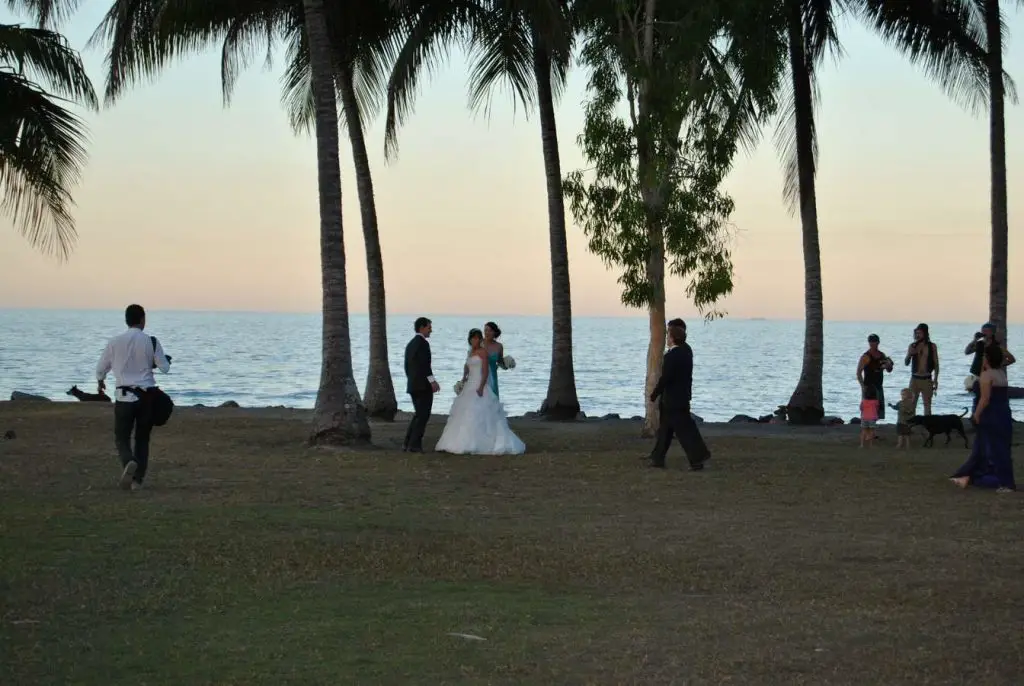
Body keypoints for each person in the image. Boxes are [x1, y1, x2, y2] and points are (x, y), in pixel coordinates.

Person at [95, 304, 171, 491]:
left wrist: (101, 381)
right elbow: (165, 368)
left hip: (123, 396)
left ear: (126, 320)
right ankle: (137, 481)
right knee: (142, 439)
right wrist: (156, 362)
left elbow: (100, 369)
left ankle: (129, 461)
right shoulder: (151, 341)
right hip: (147, 398)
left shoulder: (114, 342)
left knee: (121, 437)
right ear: (142, 320)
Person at [434, 328, 526, 455]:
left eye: (477, 338)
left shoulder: (483, 352)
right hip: (469, 384)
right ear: (470, 340)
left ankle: (481, 441)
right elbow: (467, 367)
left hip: (479, 384)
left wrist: (481, 386)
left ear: (480, 339)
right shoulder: (471, 352)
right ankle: (458, 441)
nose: (475, 340)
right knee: (464, 412)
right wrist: (463, 379)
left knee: (480, 412)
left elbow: (485, 371)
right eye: (473, 338)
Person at [950, 344, 1015, 492]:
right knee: (999, 447)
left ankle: (1000, 481)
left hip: (991, 413)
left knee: (989, 447)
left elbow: (985, 399)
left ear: (987, 358)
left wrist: (976, 415)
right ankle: (973, 474)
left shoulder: (987, 375)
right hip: (1003, 412)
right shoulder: (1001, 373)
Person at [648, 320, 711, 471]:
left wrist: (654, 393)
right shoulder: (685, 352)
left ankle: (697, 458)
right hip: (680, 397)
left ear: (673, 338)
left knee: (684, 430)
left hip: (673, 400)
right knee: (666, 430)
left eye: (668, 336)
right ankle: (658, 458)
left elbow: (666, 378)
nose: (667, 339)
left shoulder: (673, 356)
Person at [403, 317, 439, 453]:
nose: (431, 330)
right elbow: (425, 365)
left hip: (413, 384)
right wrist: (432, 381)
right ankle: (414, 444)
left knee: (418, 415)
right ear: (422, 328)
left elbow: (407, 366)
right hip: (423, 386)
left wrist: (411, 379)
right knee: (423, 415)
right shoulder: (423, 344)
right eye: (429, 327)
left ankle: (408, 443)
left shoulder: (411, 344)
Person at [964, 322, 1016, 395]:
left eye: (986, 331)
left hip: (989, 375)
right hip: (977, 374)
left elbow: (1012, 359)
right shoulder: (979, 344)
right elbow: (967, 352)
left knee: (986, 395)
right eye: (983, 330)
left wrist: (998, 365)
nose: (984, 332)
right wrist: (974, 340)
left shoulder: (997, 346)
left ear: (992, 333)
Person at [856, 333, 894, 421]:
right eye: (871, 342)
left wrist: (889, 365)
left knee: (877, 411)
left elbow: (889, 370)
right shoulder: (866, 356)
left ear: (878, 342)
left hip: (879, 385)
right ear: (869, 343)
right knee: (867, 411)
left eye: (875, 342)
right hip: (868, 386)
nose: (873, 344)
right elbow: (858, 372)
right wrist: (863, 386)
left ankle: (873, 430)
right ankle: (866, 431)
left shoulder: (882, 355)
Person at [904, 323, 939, 416]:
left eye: (920, 333)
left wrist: (935, 379)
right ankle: (910, 426)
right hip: (915, 378)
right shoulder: (912, 346)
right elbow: (906, 363)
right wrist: (910, 354)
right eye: (917, 333)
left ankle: (927, 427)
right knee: (911, 404)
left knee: (927, 405)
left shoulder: (932, 346)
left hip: (927, 379)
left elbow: (936, 364)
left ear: (925, 333)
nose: (918, 335)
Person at [483, 321, 505, 397]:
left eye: (490, 331)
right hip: (479, 376)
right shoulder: (479, 343)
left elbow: (501, 363)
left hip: (492, 377)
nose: (487, 333)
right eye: (485, 330)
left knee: (492, 401)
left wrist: (508, 364)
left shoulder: (499, 346)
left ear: (494, 333)